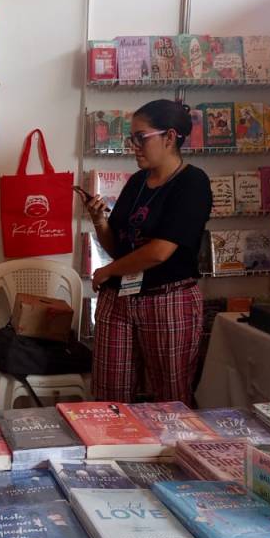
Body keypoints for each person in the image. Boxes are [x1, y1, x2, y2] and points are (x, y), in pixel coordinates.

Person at [84, 99, 211, 406]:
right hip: (120, 299)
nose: (134, 146)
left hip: (167, 299)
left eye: (141, 137)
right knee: (109, 397)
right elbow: (118, 247)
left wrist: (108, 271)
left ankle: (174, 453)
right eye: (132, 138)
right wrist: (99, 220)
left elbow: (159, 251)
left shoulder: (192, 182)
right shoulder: (138, 182)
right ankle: (112, 450)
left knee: (171, 396)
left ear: (169, 137)